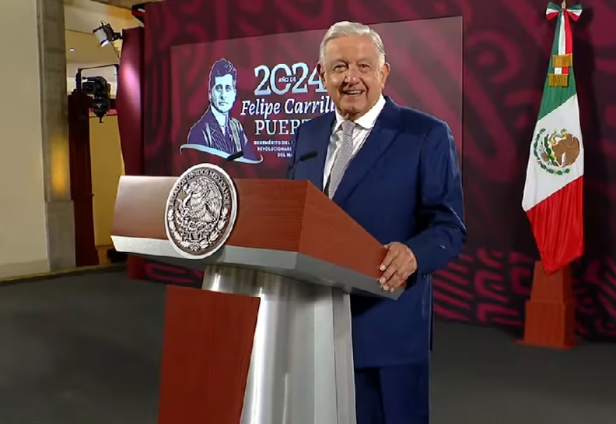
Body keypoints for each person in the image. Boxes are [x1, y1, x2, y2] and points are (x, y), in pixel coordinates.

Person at [287, 21, 466, 424]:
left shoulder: (426, 135)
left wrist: (414, 254)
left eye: (364, 66)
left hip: (388, 331)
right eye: (339, 67)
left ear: (384, 73)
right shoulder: (306, 136)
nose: (351, 77)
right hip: (312, 326)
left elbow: (449, 228)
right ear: (321, 75)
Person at [185, 59, 262, 163]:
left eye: (228, 88)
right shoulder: (199, 132)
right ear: (210, 93)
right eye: (219, 88)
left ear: (234, 94)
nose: (223, 95)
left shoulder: (236, 126)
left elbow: (250, 160)